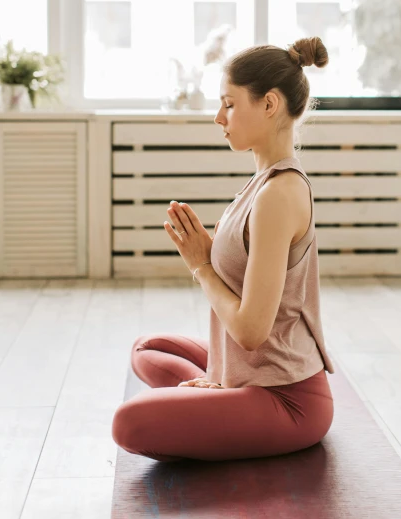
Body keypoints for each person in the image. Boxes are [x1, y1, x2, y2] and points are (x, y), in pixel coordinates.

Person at [112, 36, 335, 462]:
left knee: (129, 423)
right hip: (248, 374)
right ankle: (219, 388)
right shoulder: (261, 183)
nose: (219, 117)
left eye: (229, 103)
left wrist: (202, 266)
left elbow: (252, 332)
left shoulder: (278, 194)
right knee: (148, 348)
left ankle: (220, 397)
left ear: (269, 104)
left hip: (287, 399)